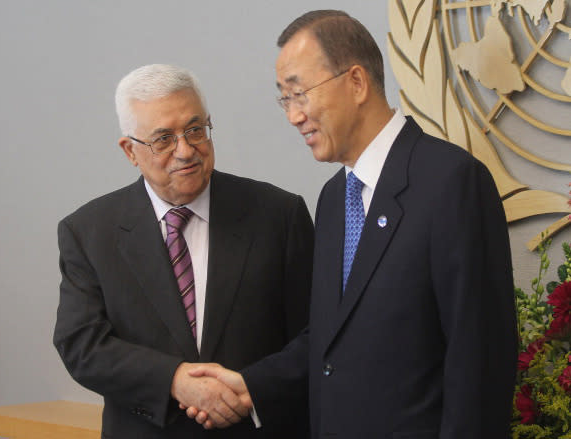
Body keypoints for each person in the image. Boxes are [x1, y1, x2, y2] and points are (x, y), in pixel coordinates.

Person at [185, 10, 518, 438]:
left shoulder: (452, 183)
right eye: (284, 99)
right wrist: (252, 385)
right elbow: (332, 337)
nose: (293, 115)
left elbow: (480, 363)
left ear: (356, 82)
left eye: (299, 93)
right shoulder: (333, 200)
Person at [53, 64, 313, 438]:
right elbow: (81, 344)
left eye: (195, 130)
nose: (186, 151)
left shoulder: (279, 215)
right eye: (163, 139)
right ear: (130, 150)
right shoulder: (89, 232)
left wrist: (250, 390)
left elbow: (316, 334)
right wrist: (174, 379)